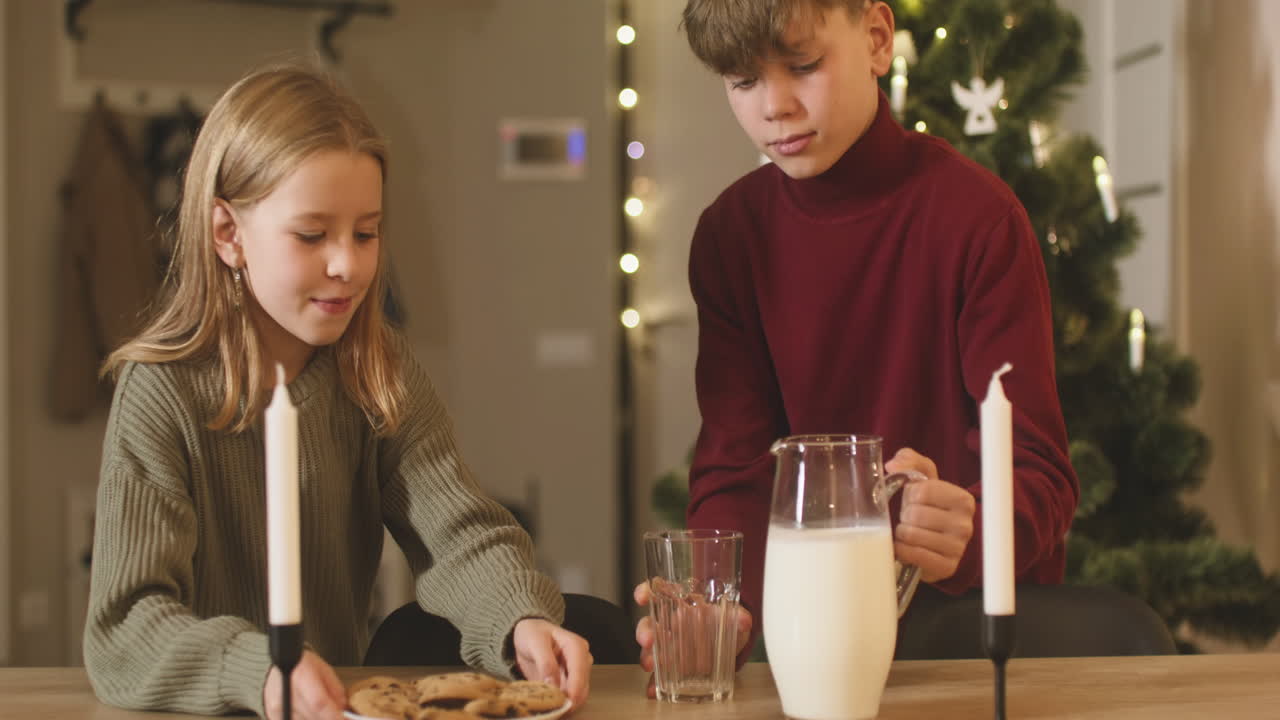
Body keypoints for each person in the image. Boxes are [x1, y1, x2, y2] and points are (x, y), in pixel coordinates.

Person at [84, 65, 591, 720]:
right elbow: (124, 628)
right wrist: (258, 670)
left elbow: (458, 533)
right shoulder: (161, 393)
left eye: (366, 232)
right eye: (312, 234)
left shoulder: (379, 369)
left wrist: (519, 618)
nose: (348, 263)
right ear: (227, 234)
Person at [635, 0, 1079, 687]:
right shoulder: (730, 236)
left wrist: (973, 526)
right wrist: (722, 609)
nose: (774, 106)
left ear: (876, 39)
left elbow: (1042, 473)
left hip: (968, 643)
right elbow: (734, 465)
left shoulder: (979, 220)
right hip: (809, 637)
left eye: (803, 65)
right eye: (742, 81)